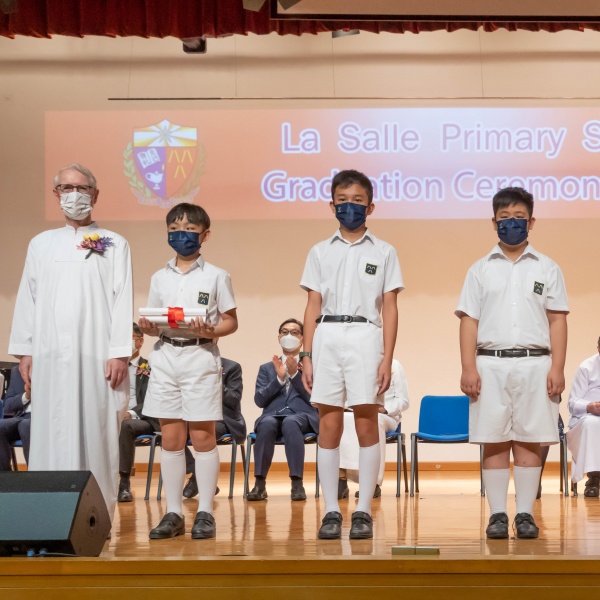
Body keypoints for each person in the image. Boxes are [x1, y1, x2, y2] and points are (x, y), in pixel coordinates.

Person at [8, 163, 133, 521]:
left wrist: (119, 353)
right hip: (49, 355)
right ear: (56, 194)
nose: (73, 194)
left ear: (95, 194)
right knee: (50, 428)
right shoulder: (41, 243)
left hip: (96, 356)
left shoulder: (112, 243)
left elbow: (121, 298)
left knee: (96, 430)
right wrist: (26, 350)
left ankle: (96, 518)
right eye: (66, 188)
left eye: (81, 188)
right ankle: (47, 515)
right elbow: (28, 297)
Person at [456, 186, 568, 540]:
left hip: (537, 364)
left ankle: (525, 514)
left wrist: (558, 367)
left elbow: (557, 320)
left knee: (529, 441)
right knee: (494, 441)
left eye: (519, 217)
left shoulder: (548, 267)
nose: (512, 223)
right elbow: (468, 321)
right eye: (505, 218)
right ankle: (497, 515)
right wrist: (468, 367)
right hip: (490, 364)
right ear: (494, 222)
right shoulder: (479, 269)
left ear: (531, 222)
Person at [300, 169, 403, 540]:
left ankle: (363, 511)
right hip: (327, 335)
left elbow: (389, 307)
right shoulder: (319, 251)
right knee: (328, 423)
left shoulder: (384, 251)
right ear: (331, 205)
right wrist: (307, 354)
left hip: (365, 335)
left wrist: (387, 357)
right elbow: (312, 304)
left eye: (358, 201)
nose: (350, 207)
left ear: (370, 206)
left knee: (366, 423)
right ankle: (330, 509)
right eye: (342, 201)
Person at [139, 202, 237, 540]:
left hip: (200, 356)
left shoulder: (216, 275)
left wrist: (211, 330)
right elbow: (155, 321)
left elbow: (231, 321)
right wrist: (148, 327)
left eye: (190, 230)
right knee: (171, 438)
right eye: (174, 230)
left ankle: (205, 512)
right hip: (165, 357)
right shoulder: (159, 277)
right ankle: (173, 513)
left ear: (204, 235)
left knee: (203, 436)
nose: (181, 235)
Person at [246, 318, 319, 502]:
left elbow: (315, 400)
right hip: (272, 415)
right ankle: (259, 484)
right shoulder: (266, 368)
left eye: (294, 333)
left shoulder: (312, 366)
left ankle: (297, 484)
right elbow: (259, 400)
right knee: (267, 423)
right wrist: (278, 380)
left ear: (302, 339)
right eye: (285, 332)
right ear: (279, 338)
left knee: (290, 422)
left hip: (302, 416)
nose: (289, 336)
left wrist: (295, 376)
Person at [338, 358, 408, 499]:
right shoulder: (355, 363)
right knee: (343, 419)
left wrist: (385, 409)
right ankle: (341, 479)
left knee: (374, 421)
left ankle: (372, 483)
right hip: (357, 412)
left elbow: (404, 401)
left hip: (386, 415)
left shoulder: (394, 365)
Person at [182, 357, 246, 499]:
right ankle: (197, 473)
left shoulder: (232, 367)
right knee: (169, 435)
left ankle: (197, 479)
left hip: (222, 420)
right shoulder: (190, 366)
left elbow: (234, 400)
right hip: (194, 418)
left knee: (206, 432)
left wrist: (217, 383)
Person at [117, 323, 155, 502]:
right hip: (111, 417)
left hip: (141, 418)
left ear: (140, 341)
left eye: (130, 337)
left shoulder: (149, 367)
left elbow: (153, 398)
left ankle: (124, 483)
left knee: (126, 426)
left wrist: (131, 413)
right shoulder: (110, 366)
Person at [567, 337, 600, 497]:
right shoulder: (586, 367)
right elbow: (572, 403)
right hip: (587, 418)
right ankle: (594, 478)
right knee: (592, 424)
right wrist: (589, 406)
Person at [0, 365, 31, 470]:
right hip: (24, 416)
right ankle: (4, 476)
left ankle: (36, 476)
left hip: (48, 419)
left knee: (26, 426)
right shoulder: (17, 371)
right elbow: (7, 406)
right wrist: (26, 396)